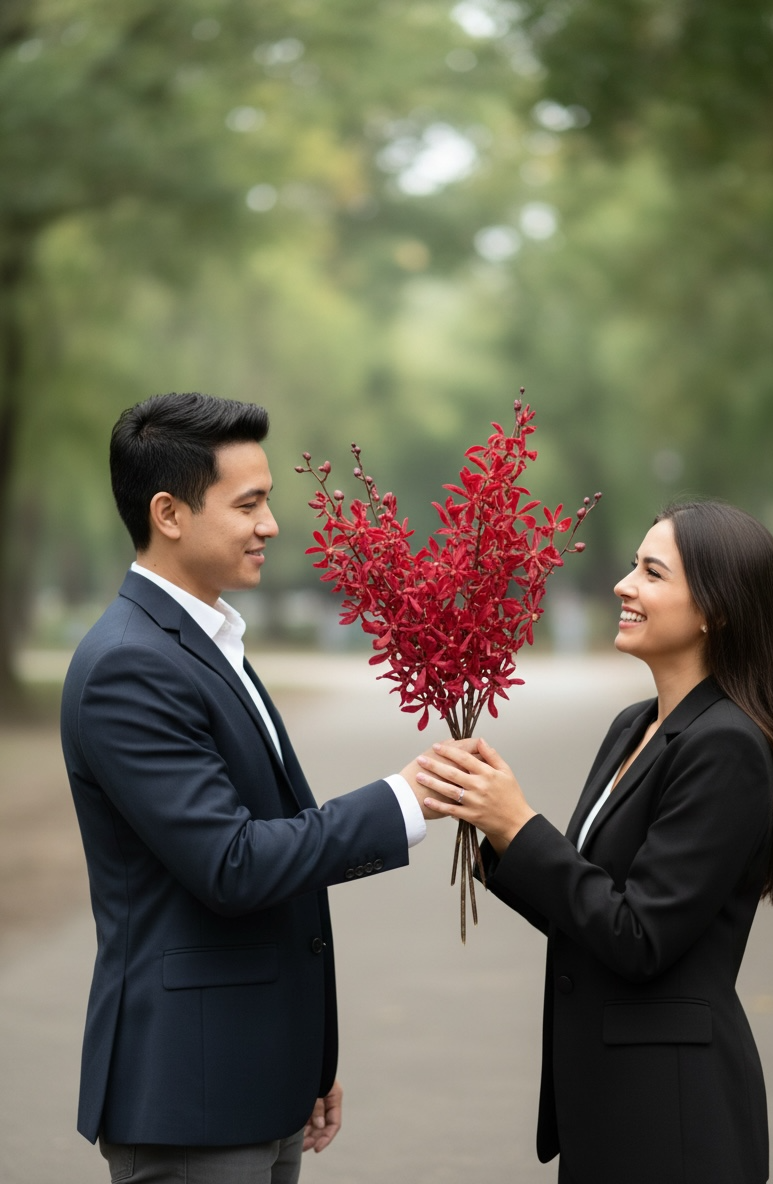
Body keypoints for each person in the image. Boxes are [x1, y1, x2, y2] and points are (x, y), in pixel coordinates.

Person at [61, 391, 439, 1184]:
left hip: (256, 1076)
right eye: (249, 504)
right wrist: (402, 799)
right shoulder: (130, 664)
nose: (271, 524)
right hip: (191, 1097)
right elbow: (231, 863)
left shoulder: (207, 639)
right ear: (168, 513)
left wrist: (304, 1057)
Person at [415, 500, 773, 1184]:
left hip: (671, 1115)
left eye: (651, 573)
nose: (623, 585)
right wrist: (492, 829)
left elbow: (639, 936)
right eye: (633, 566)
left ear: (714, 610)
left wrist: (519, 825)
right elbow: (588, 910)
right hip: (609, 1102)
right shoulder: (635, 725)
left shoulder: (727, 746)